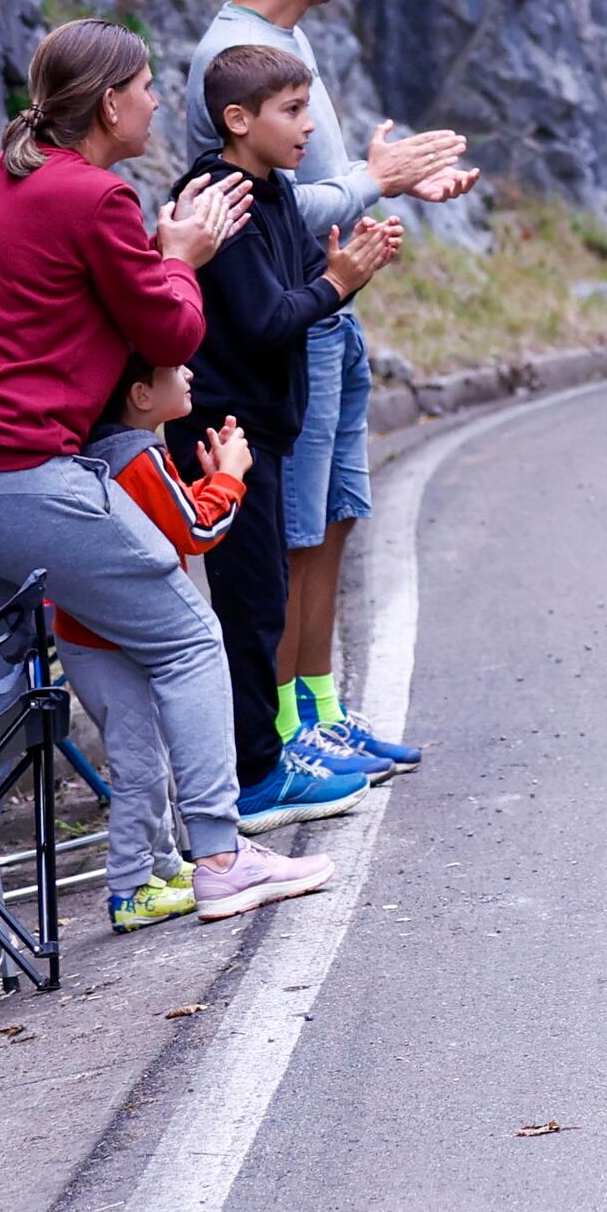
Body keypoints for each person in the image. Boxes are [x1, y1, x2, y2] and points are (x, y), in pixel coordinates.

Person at [0, 22, 325, 935]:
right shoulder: (96, 198)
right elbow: (171, 335)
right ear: (111, 102)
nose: (160, 101)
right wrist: (183, 256)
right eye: (149, 86)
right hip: (14, 474)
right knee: (190, 640)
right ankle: (220, 856)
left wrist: (161, 259)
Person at [181, 0, 472, 784]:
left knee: (335, 515)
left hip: (328, 308)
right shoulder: (235, 52)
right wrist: (374, 180)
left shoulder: (286, 42)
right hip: (291, 317)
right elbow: (266, 206)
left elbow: (316, 183)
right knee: (287, 539)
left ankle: (322, 708)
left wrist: (391, 179)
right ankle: (279, 739)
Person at [181, 41, 407, 831]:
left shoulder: (271, 191)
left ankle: (272, 756)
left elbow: (293, 289)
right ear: (238, 119)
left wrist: (344, 269)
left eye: (307, 107)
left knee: (265, 594)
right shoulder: (222, 196)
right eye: (292, 110)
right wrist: (338, 284)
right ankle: (253, 779)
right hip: (226, 431)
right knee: (249, 605)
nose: (309, 126)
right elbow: (264, 318)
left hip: (263, 427)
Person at [59, 363, 335, 929]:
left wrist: (207, 483)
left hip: (92, 636)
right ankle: (132, 888)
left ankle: (154, 873)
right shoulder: (139, 457)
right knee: (139, 763)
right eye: (171, 369)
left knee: (143, 757)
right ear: (140, 394)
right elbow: (197, 532)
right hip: (112, 643)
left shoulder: (110, 450)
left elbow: (174, 517)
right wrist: (232, 476)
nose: (188, 372)